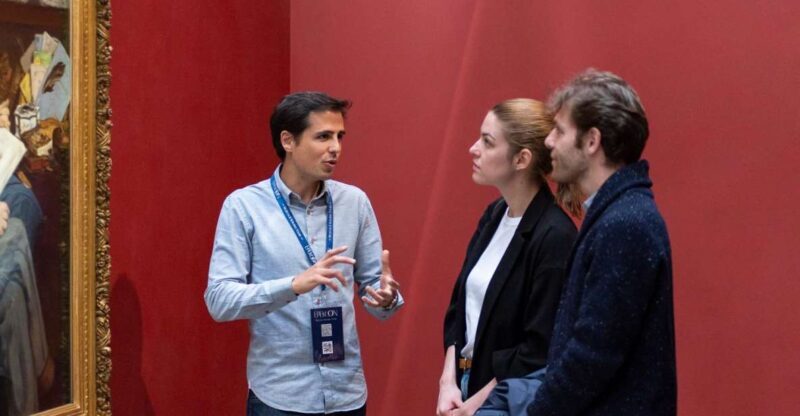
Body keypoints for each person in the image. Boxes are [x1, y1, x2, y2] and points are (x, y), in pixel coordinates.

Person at [479, 69, 676, 416]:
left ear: (591, 141)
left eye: (559, 131)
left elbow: (593, 354)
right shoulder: (618, 215)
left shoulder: (625, 224)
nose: (549, 142)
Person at [205, 92, 403, 416]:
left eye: (340, 136)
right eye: (323, 136)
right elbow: (219, 300)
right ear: (288, 140)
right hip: (281, 397)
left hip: (347, 395)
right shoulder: (244, 207)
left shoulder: (355, 203)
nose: (336, 148)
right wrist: (294, 285)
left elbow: (374, 291)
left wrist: (386, 299)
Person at [437, 98, 579, 416]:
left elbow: (537, 348)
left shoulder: (555, 236)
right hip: (465, 385)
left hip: (506, 401)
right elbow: (459, 308)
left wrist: (476, 405)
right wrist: (448, 382)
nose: (473, 149)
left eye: (487, 142)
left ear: (522, 159)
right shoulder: (495, 214)